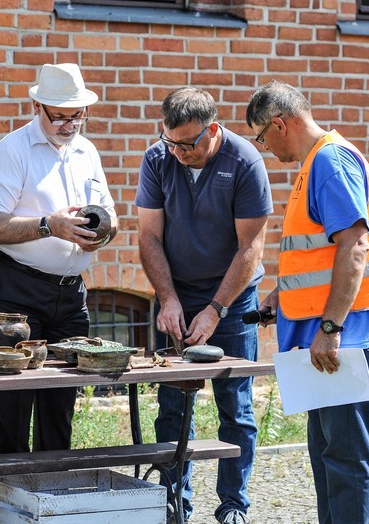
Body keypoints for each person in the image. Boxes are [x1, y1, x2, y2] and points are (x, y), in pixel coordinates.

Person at [245, 80, 369, 524]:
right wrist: (286, 293)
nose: (263, 147)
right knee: (327, 450)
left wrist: (331, 329)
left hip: (346, 331)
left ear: (279, 123)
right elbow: (322, 251)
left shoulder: (329, 161)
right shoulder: (315, 163)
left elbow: (355, 247)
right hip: (332, 328)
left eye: (261, 136)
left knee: (345, 454)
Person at [136, 87, 273, 524]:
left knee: (236, 406)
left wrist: (216, 309)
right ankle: (175, 504)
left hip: (232, 298)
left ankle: (233, 504)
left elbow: (250, 247)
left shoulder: (244, 161)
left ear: (212, 131)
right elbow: (149, 236)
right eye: (169, 141)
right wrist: (169, 298)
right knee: (173, 406)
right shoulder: (158, 158)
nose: (177, 153)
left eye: (187, 144)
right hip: (177, 292)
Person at [0, 63, 117, 454]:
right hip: (15, 285)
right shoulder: (13, 148)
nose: (69, 125)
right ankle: (9, 488)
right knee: (14, 395)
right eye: (59, 116)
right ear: (36, 105)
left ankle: (53, 489)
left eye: (77, 116)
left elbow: (110, 215)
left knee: (61, 396)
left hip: (70, 292)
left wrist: (100, 234)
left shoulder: (87, 151)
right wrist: (47, 226)